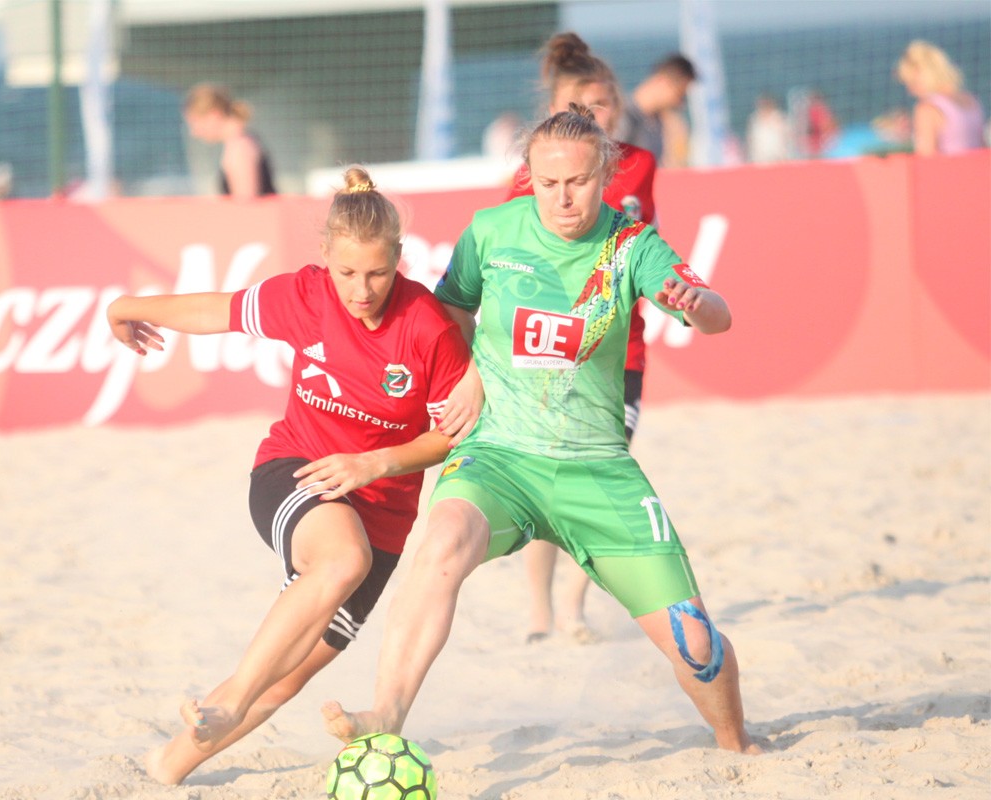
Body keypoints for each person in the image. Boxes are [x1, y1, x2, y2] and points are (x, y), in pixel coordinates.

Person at [323, 105, 762, 757]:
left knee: (695, 641)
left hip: (597, 469)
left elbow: (719, 316)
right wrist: (467, 373)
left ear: (605, 174)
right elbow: (449, 312)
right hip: (499, 456)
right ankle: (386, 712)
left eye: (578, 182)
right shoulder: (492, 231)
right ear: (529, 175)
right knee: (441, 540)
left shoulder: (632, 244)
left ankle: (737, 744)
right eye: (549, 183)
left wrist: (699, 306)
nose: (563, 198)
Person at [106, 166, 471, 785]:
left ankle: (166, 766)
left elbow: (447, 435)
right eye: (347, 273)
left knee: (289, 675)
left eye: (378, 274)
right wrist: (127, 307)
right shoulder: (306, 297)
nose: (361, 290)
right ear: (325, 256)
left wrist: (375, 463)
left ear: (399, 259)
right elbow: (217, 310)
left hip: (382, 511)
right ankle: (231, 700)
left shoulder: (428, 327)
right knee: (342, 560)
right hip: (296, 469)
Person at [506, 32, 658, 644]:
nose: (595, 114)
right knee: (546, 482)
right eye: (582, 105)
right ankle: (539, 611)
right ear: (556, 110)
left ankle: (572, 605)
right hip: (551, 349)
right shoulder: (530, 177)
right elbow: (511, 261)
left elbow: (645, 243)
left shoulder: (640, 163)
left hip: (621, 352)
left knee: (601, 475)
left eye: (604, 103)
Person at [183, 83, 278, 199]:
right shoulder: (243, 141)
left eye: (195, 123)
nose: (194, 133)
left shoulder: (239, 148)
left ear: (214, 115)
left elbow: (246, 204)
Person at [896, 40, 986, 156]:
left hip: (950, 167)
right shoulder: (971, 101)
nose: (910, 90)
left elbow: (927, 157)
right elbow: (983, 147)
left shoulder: (927, 109)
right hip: (978, 166)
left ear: (920, 76)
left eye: (911, 82)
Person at [615, 52, 697, 167]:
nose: (680, 103)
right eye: (679, 94)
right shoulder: (623, 115)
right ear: (662, 81)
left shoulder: (658, 121)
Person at [746, 94, 793, 164]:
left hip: (777, 157)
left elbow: (788, 137)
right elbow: (750, 140)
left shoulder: (779, 118)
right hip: (760, 159)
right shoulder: (754, 119)